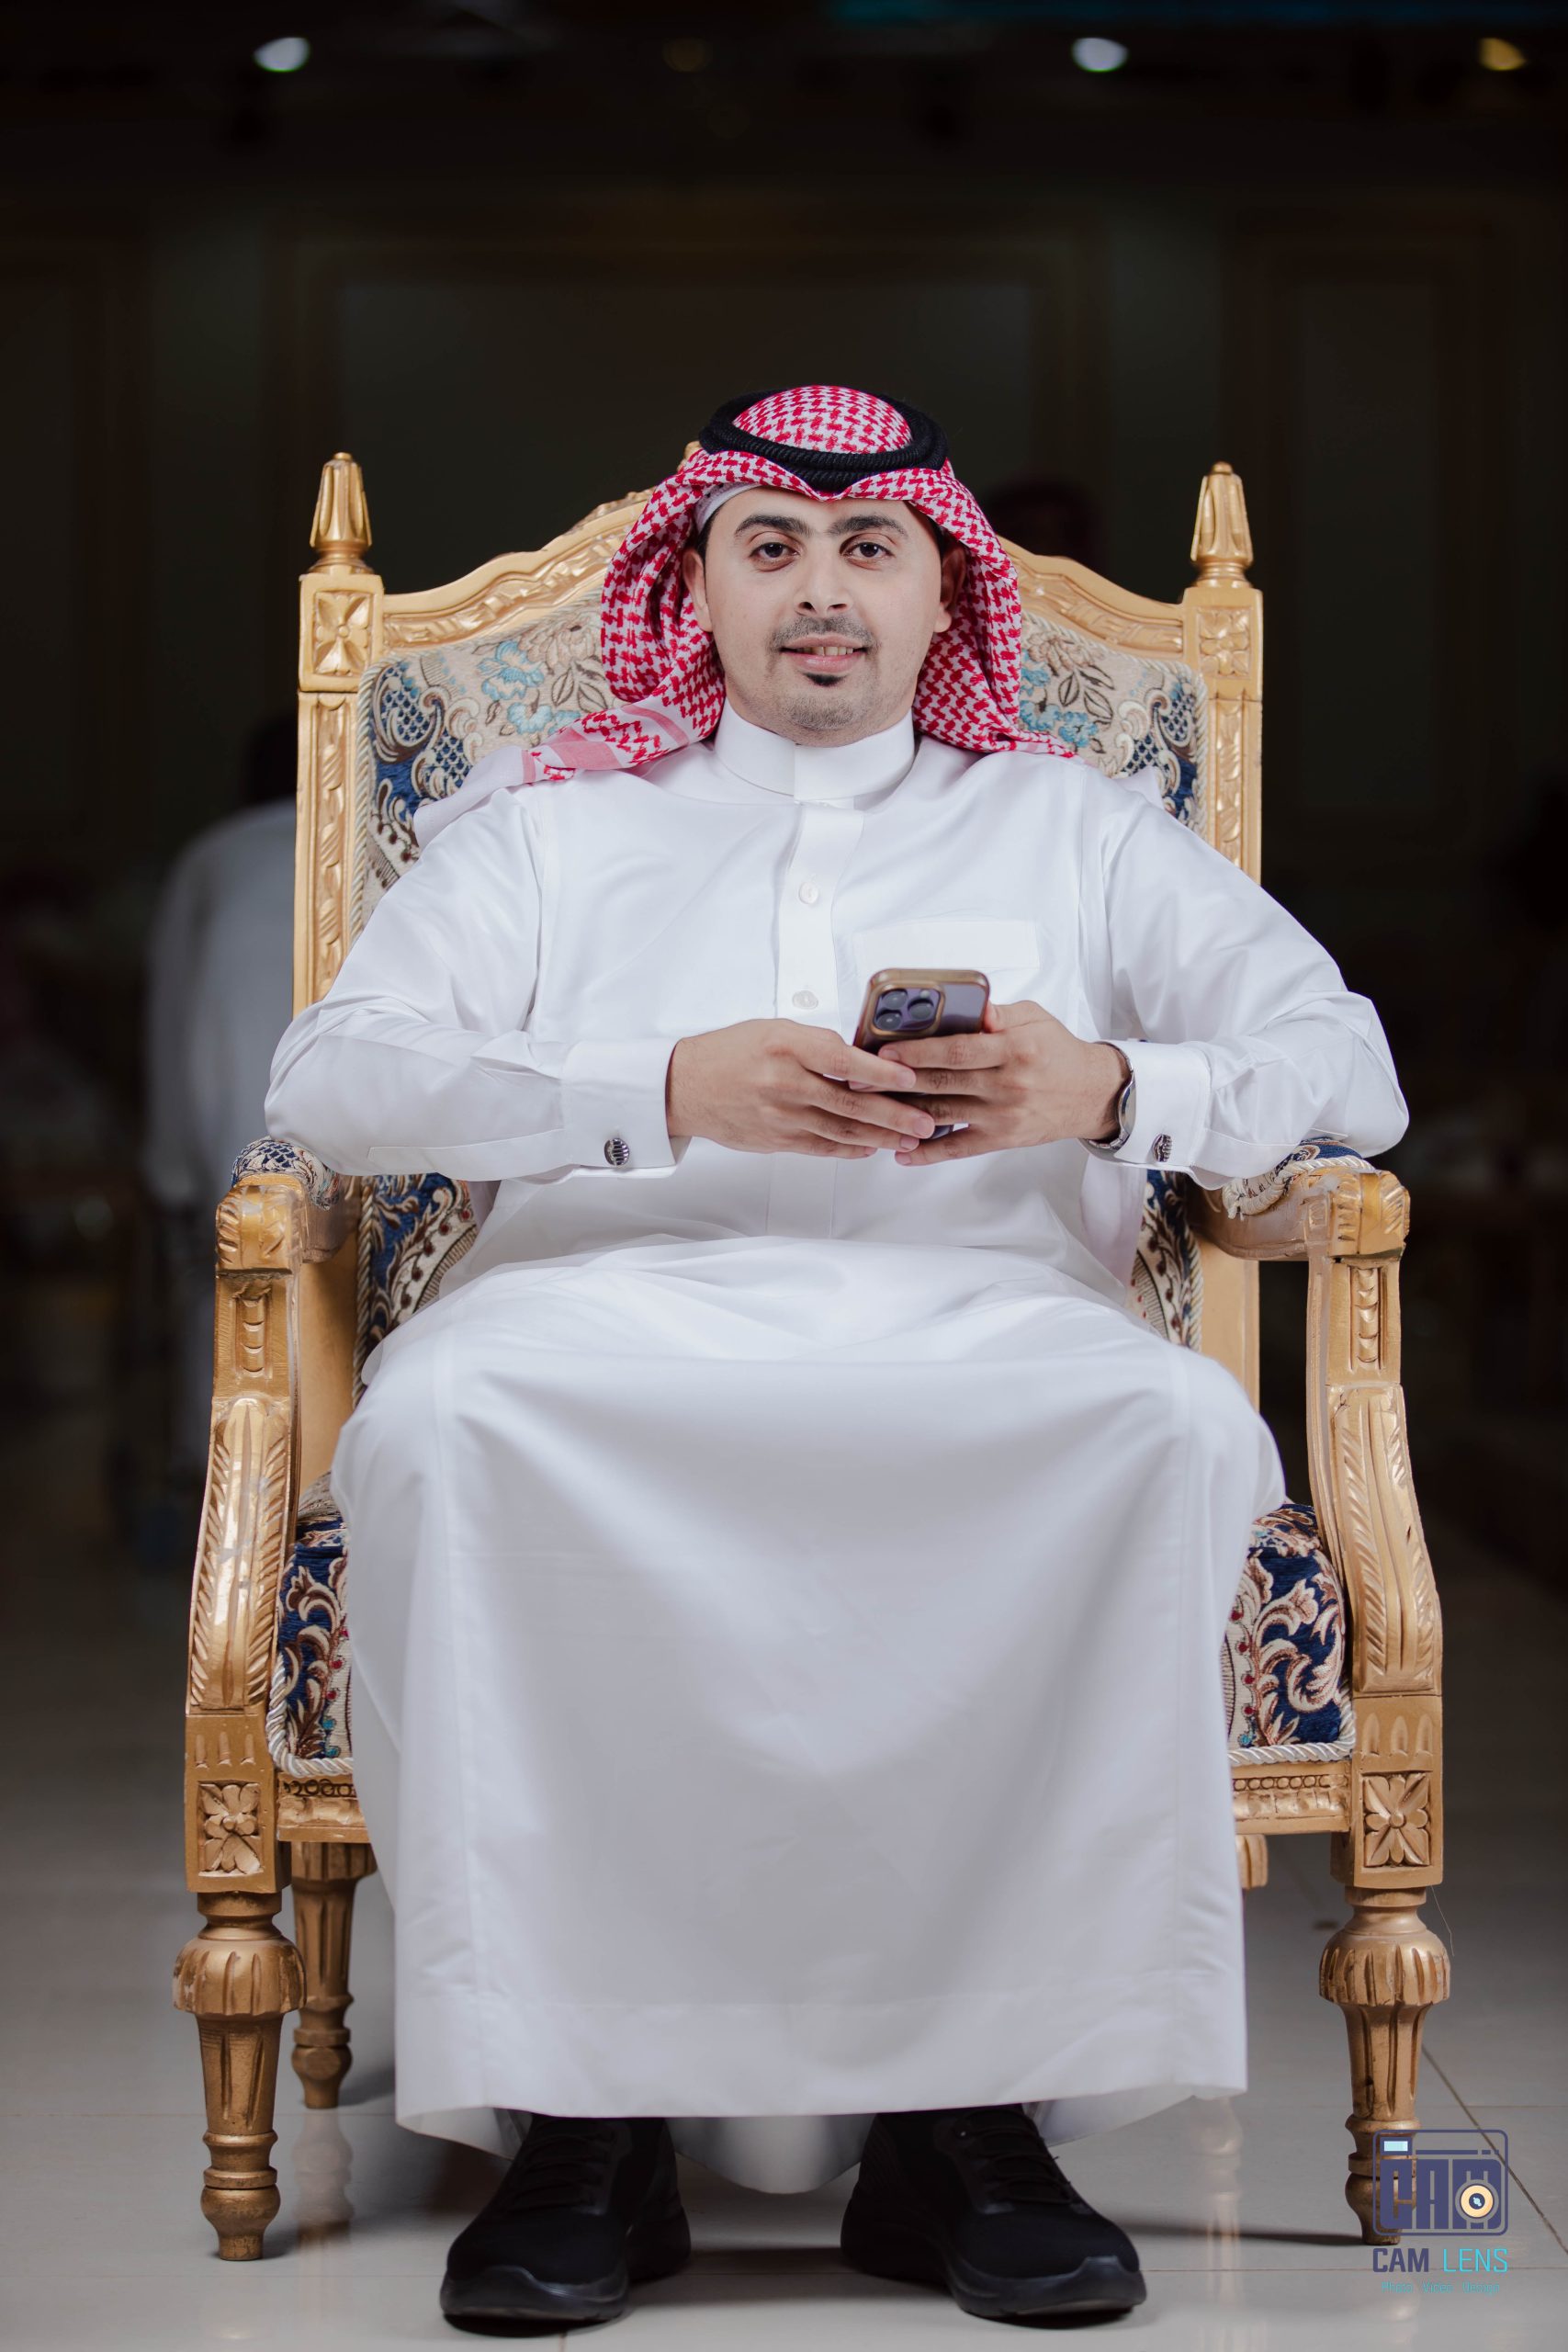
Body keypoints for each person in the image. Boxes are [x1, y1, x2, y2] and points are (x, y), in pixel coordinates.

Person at [265, 386, 1408, 2330]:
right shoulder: (548, 829)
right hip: (595, 1325)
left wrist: (1109, 1085)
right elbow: (329, 1080)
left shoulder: (1073, 825)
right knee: (447, 1417)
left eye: (870, 549)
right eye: (771, 547)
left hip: (986, 1328)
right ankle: (578, 2125)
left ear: (942, 594)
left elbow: (1347, 1063)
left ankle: (973, 2119)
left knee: (1158, 1421)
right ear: (693, 586)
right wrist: (654, 1085)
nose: (821, 591)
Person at [143, 716, 296, 1483]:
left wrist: (170, 1168)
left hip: (233, 1111)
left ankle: (222, 1498)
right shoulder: (382, 841)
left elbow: (172, 1013)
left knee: (232, 1286)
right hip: (354, 1129)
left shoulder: (213, 858)